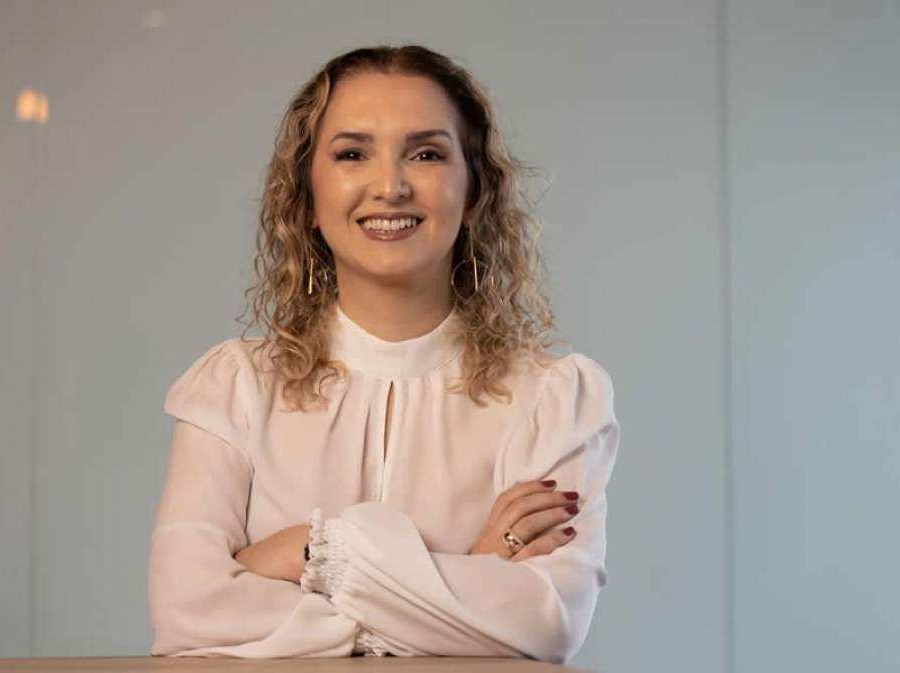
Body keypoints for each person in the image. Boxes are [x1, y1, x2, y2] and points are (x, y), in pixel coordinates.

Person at [147, 44, 620, 664]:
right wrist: (469, 581)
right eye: (352, 154)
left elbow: (547, 622)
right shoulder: (233, 388)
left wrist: (307, 556)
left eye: (426, 154)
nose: (391, 187)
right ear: (306, 196)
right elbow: (187, 612)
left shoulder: (554, 399)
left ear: (473, 191)